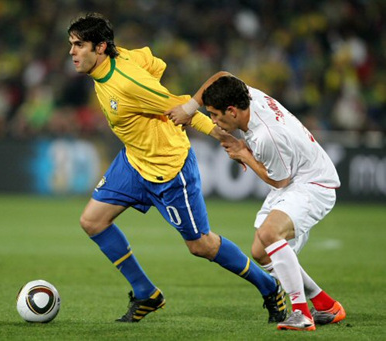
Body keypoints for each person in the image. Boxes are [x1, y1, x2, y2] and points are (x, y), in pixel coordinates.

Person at [67, 13, 287, 323]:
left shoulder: (127, 83)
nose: (72, 52)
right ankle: (146, 294)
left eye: (79, 45)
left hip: (169, 169)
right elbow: (153, 61)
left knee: (201, 245)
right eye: (71, 45)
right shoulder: (119, 63)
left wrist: (224, 137)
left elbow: (179, 105)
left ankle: (270, 287)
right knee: (92, 222)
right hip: (133, 161)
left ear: (100, 47)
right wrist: (152, 86)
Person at [167, 72, 346, 331]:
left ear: (232, 111)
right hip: (299, 176)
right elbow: (222, 75)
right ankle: (325, 304)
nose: (214, 122)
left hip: (312, 183)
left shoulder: (266, 136)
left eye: (215, 115)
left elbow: (279, 182)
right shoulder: (247, 95)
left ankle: (301, 313)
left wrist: (244, 154)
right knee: (260, 252)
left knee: (270, 233)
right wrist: (190, 107)